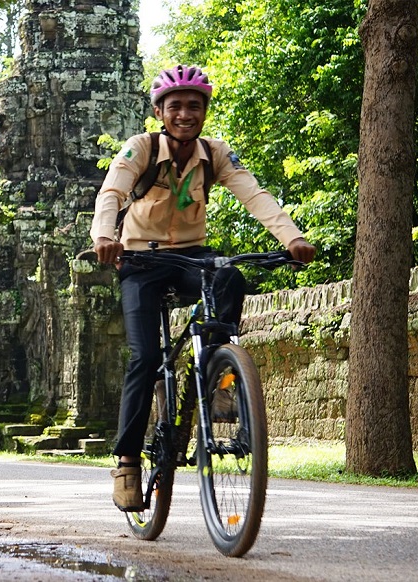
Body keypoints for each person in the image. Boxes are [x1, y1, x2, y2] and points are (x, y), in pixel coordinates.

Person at [90, 65, 317, 512]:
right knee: (146, 357)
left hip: (193, 255)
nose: (185, 114)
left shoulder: (215, 153)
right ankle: (127, 462)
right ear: (160, 111)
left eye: (195, 105)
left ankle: (215, 376)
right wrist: (103, 234)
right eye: (175, 106)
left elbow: (254, 194)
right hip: (140, 260)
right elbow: (112, 192)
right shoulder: (141, 148)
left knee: (230, 274)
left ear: (205, 111)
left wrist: (291, 238)